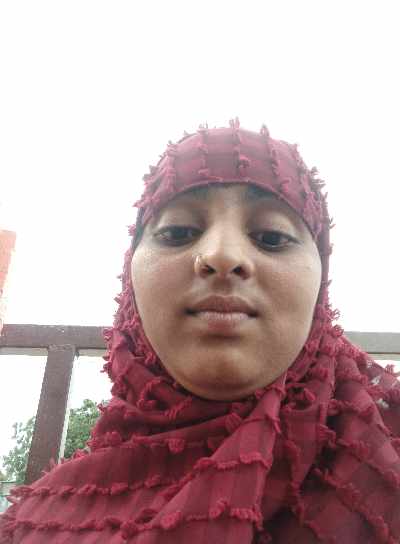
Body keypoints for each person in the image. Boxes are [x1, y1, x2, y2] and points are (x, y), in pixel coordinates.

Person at [1, 119, 399, 543]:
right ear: (130, 279)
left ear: (321, 283)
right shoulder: (28, 529)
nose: (222, 256)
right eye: (178, 232)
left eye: (271, 236)